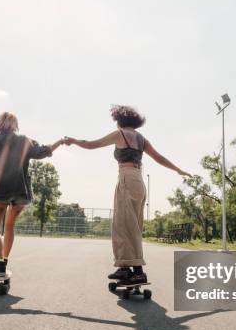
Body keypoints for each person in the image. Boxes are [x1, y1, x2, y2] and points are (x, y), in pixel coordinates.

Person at [64, 105, 191, 285]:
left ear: (119, 121)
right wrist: (178, 170)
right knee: (131, 225)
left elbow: (92, 144)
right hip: (139, 182)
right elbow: (159, 158)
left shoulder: (120, 134)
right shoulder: (141, 138)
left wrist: (74, 140)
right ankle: (124, 269)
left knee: (124, 226)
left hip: (127, 179)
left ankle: (138, 272)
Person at [0, 111, 64, 277]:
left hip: (0, 192)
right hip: (20, 192)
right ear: (15, 125)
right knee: (8, 226)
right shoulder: (24, 141)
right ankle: (3, 261)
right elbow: (43, 151)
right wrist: (61, 141)